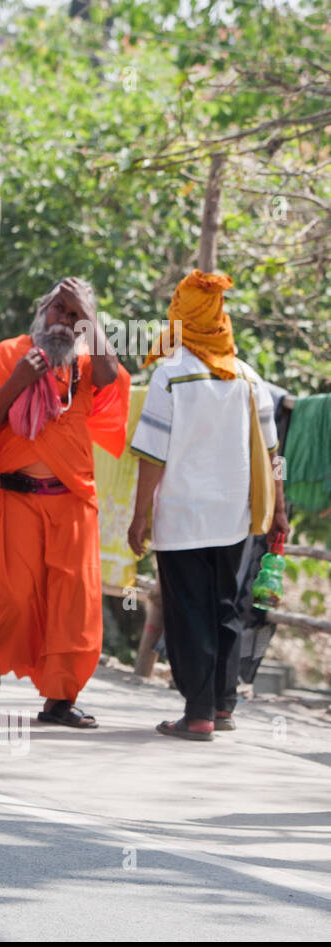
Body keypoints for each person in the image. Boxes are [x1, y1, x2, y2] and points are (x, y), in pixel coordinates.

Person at [0, 278, 131, 728]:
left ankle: (60, 698)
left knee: (73, 603)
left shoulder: (88, 361)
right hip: (18, 496)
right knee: (13, 597)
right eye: (60, 310)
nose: (65, 322)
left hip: (73, 500)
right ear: (42, 313)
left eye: (75, 315)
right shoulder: (10, 352)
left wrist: (90, 318)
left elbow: (113, 379)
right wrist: (21, 379)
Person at [127, 270, 288, 741]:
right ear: (219, 318)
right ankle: (222, 706)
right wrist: (278, 510)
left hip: (182, 517)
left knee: (188, 610)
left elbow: (153, 455)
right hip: (235, 517)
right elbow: (273, 454)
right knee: (225, 608)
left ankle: (196, 713)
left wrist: (141, 515)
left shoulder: (170, 376)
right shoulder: (249, 378)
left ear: (182, 316)